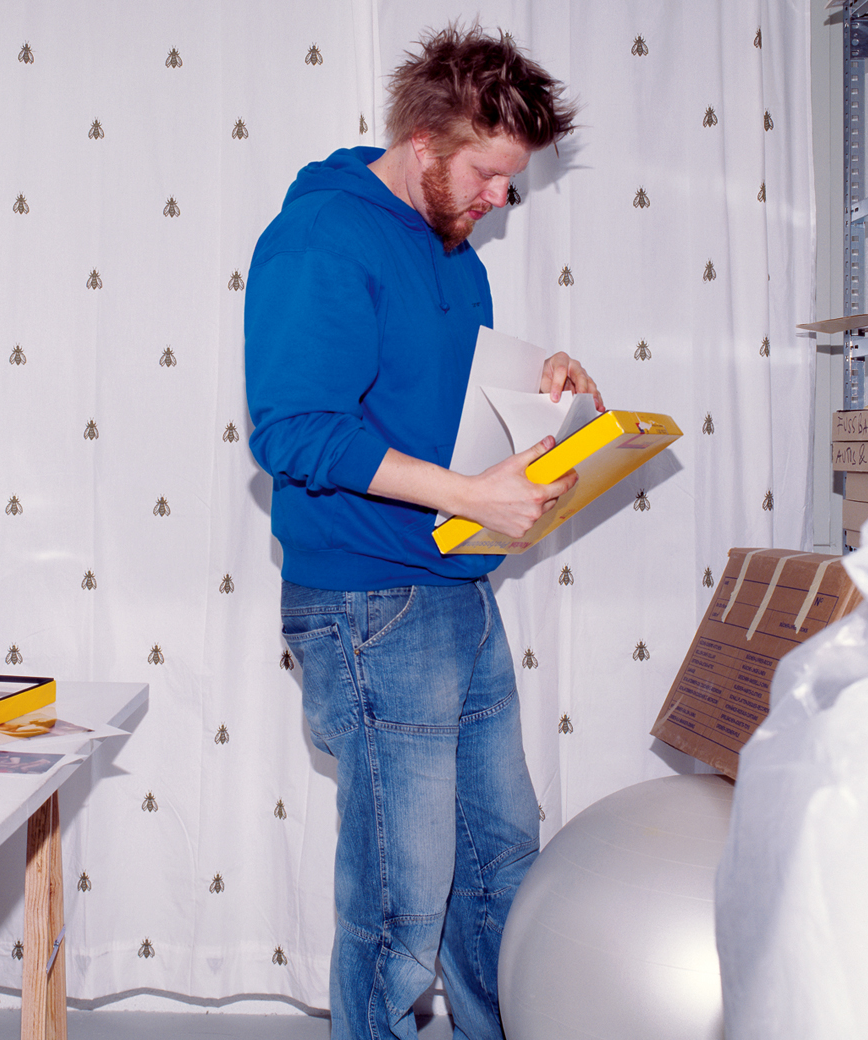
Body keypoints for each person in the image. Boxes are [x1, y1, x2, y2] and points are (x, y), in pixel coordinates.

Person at [244, 24, 597, 1040]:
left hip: (455, 590)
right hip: (368, 605)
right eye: (488, 175)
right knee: (403, 903)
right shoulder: (322, 237)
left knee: (499, 869)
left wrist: (548, 390)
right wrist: (467, 498)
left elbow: (443, 416)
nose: (497, 202)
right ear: (426, 136)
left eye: (509, 186)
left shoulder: (453, 254)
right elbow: (297, 431)